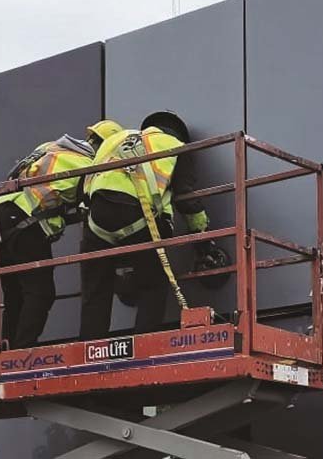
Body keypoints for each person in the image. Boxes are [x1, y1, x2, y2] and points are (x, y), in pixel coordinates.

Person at [78, 111, 228, 339]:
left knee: (96, 291)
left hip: (96, 222)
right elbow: (186, 198)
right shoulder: (176, 147)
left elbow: (84, 187)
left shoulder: (114, 140)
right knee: (153, 284)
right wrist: (202, 238)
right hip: (139, 220)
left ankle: (89, 348)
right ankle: (144, 342)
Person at [0, 130, 107, 348]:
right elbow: (90, 203)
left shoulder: (51, 147)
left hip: (1, 215)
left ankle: (6, 349)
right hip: (27, 221)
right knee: (41, 292)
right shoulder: (90, 166)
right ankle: (23, 348)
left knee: (15, 294)